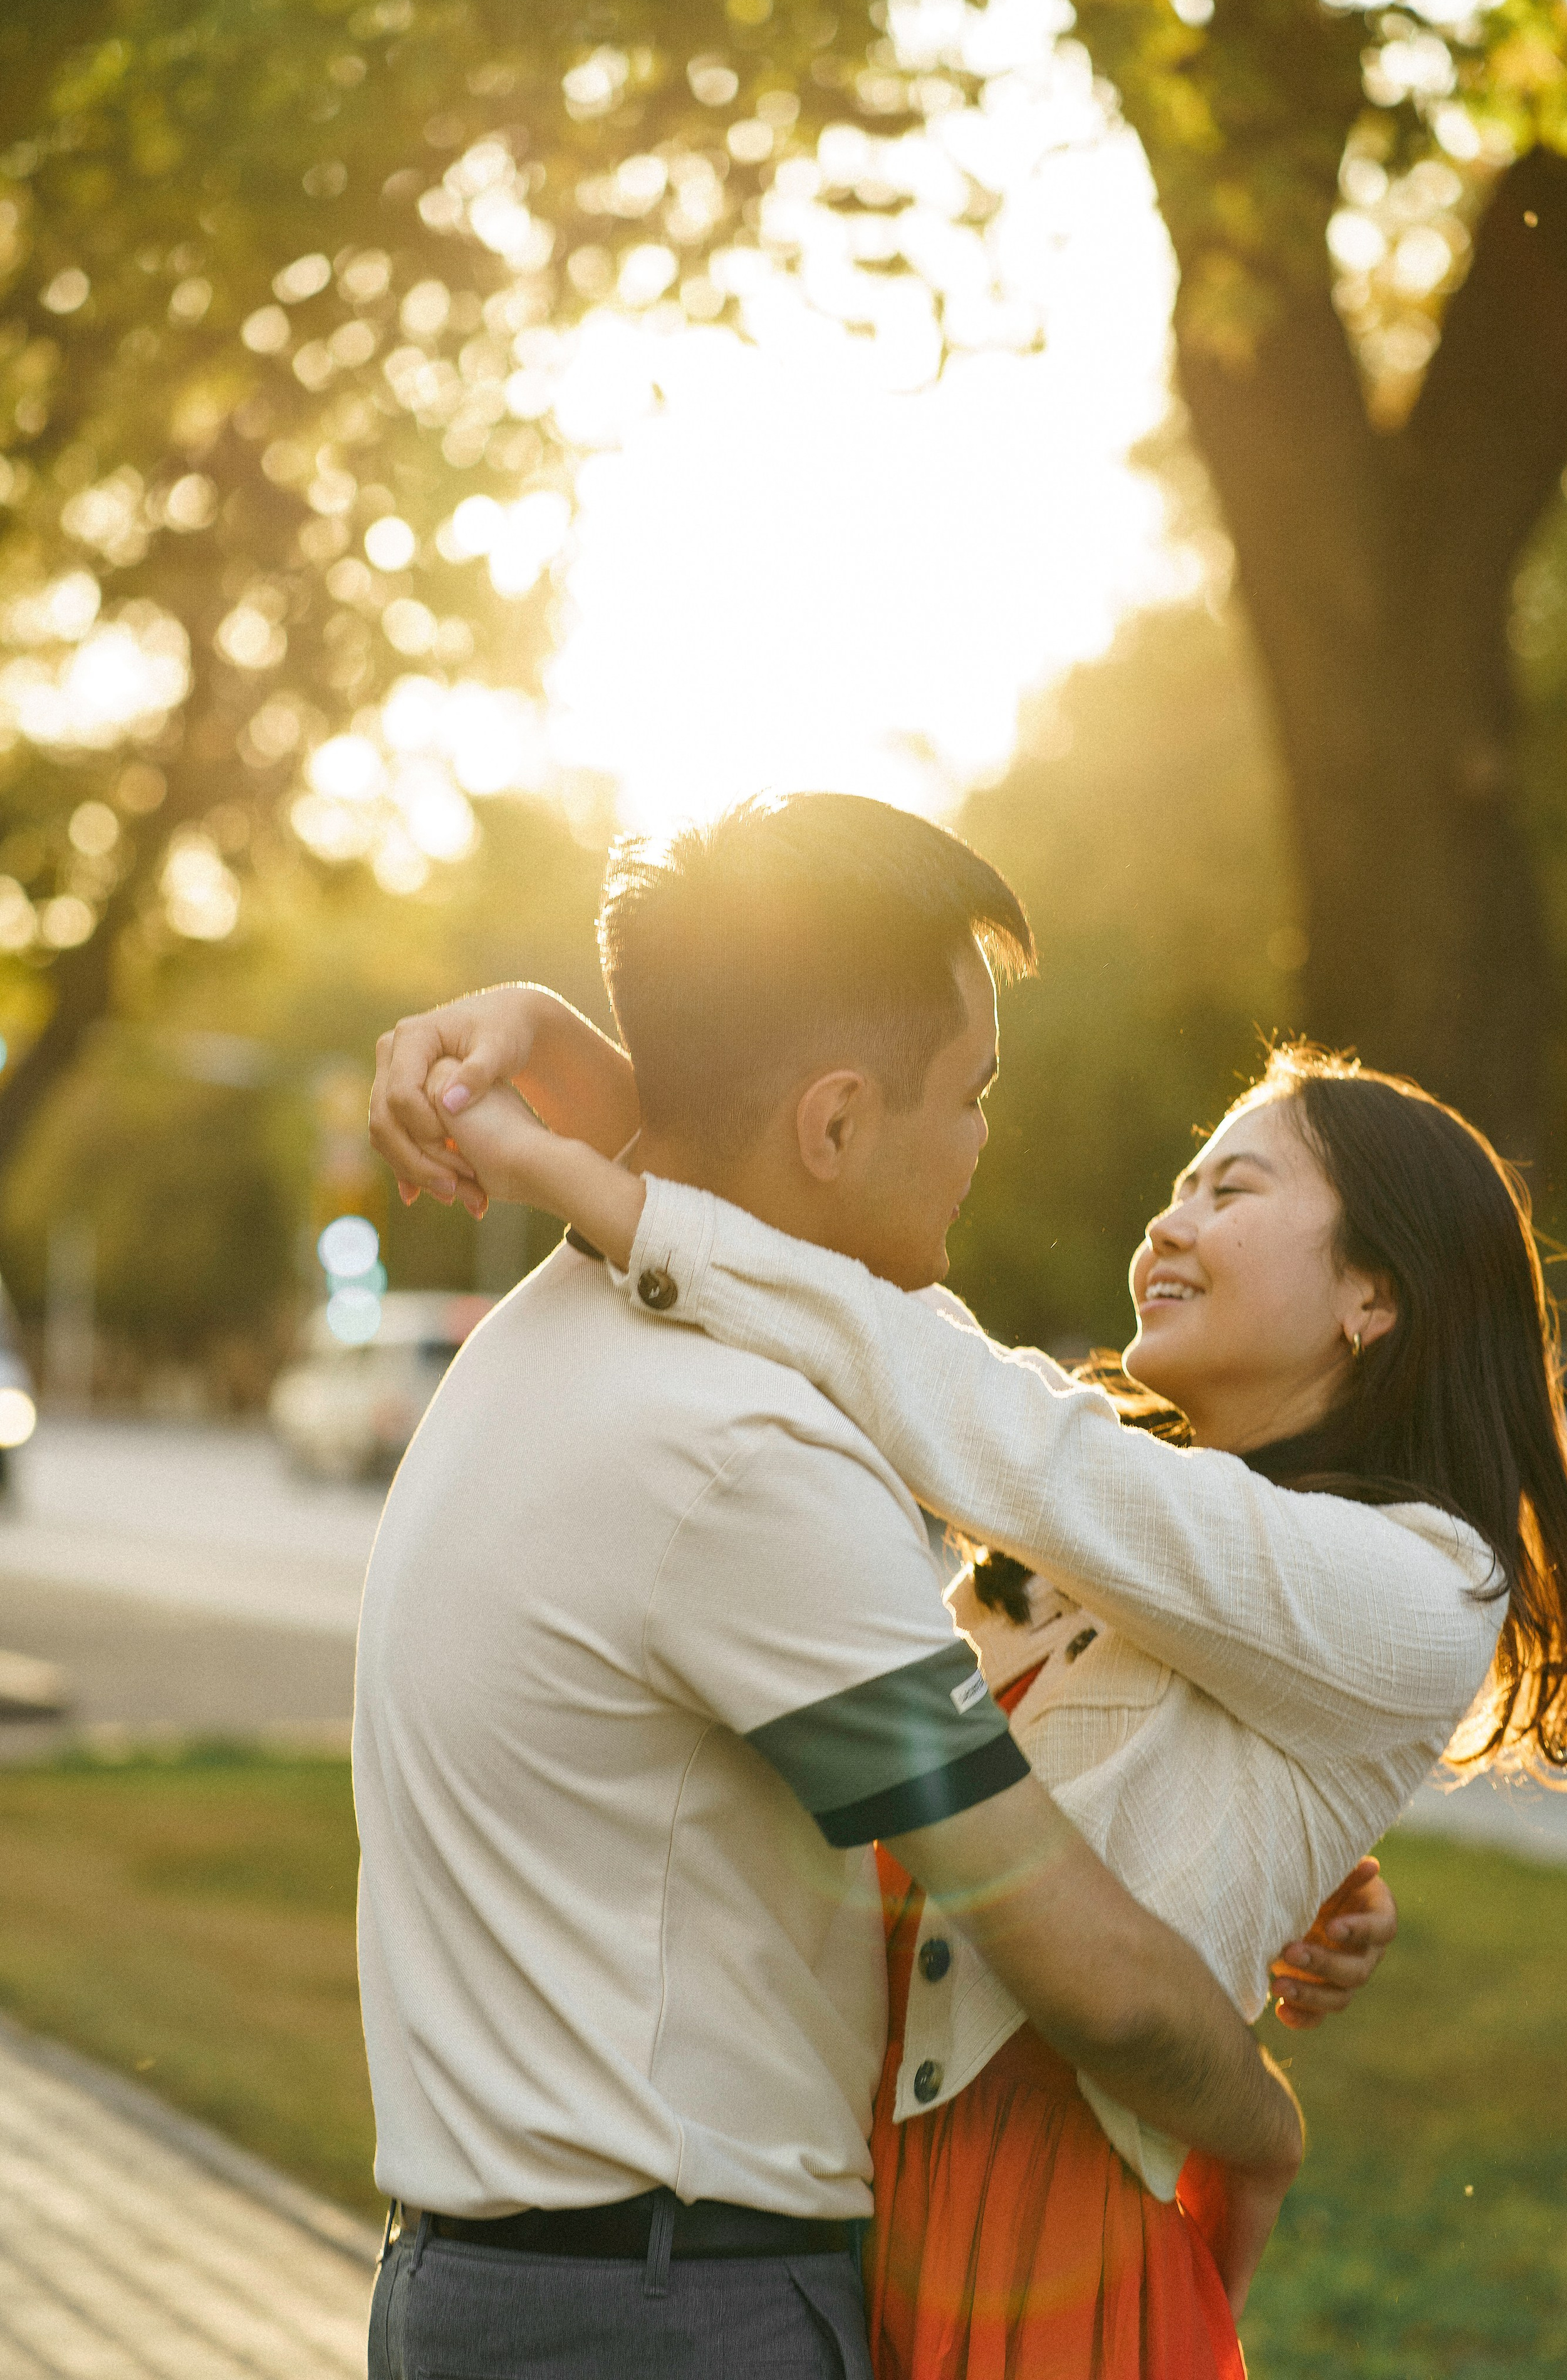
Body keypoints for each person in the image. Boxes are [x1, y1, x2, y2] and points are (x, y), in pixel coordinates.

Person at [355, 795, 1324, 2380]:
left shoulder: (561, 1341)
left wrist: (1273, 1863)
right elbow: (1065, 1955)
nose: (985, 1138)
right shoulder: (741, 1454)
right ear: (833, 1124)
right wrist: (1260, 2128)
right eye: (971, 1092)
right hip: (668, 2317)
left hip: (515, 2291)